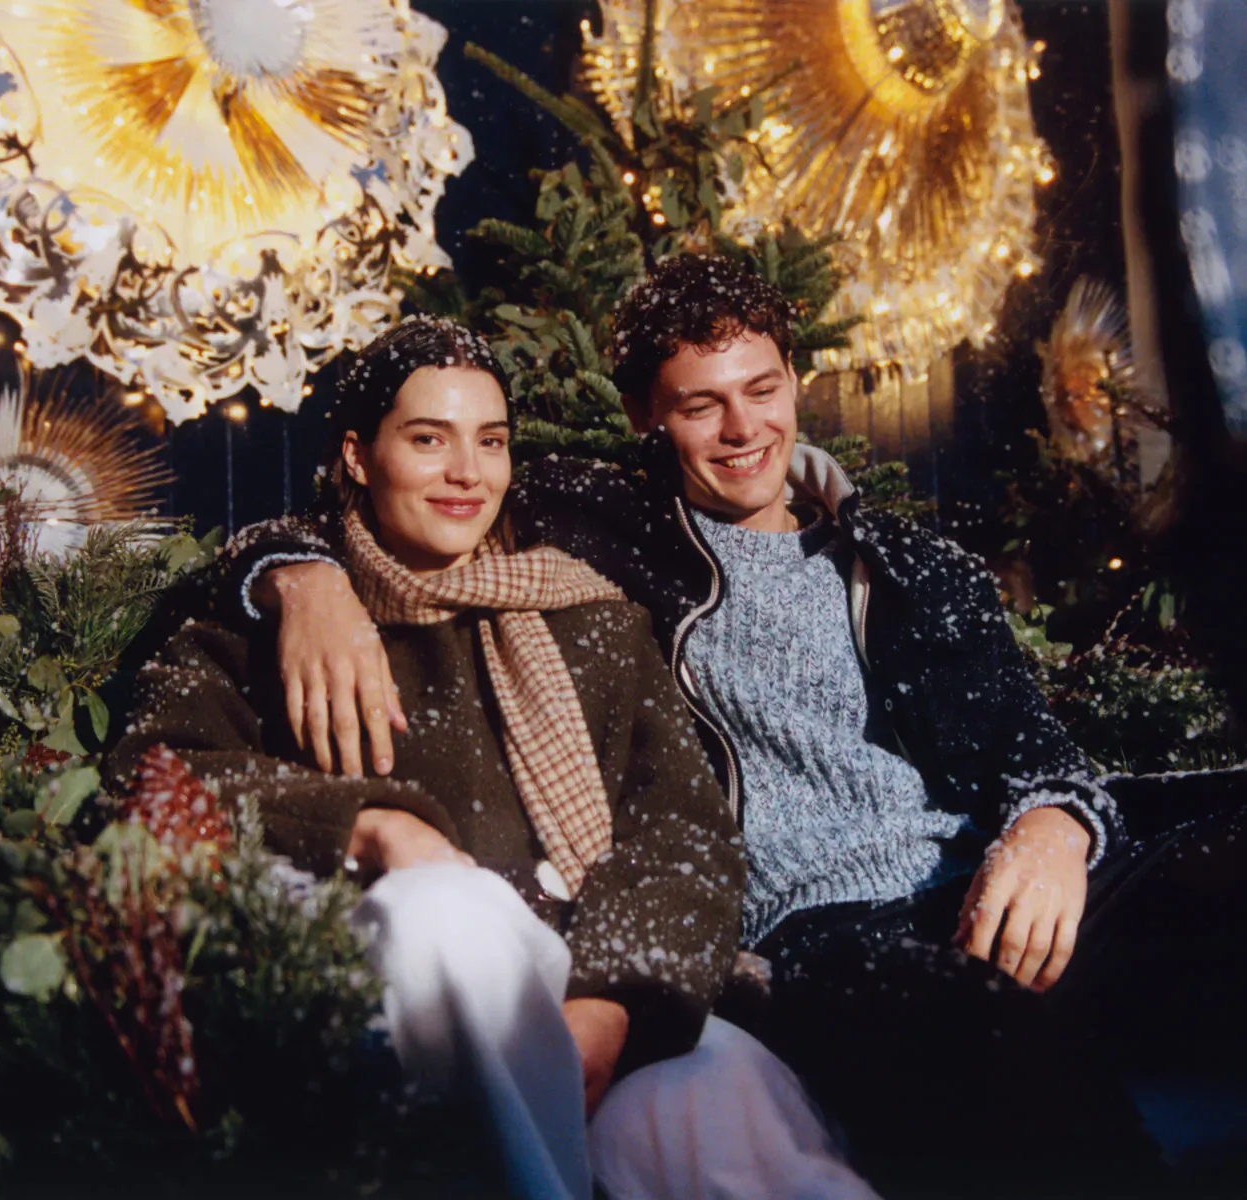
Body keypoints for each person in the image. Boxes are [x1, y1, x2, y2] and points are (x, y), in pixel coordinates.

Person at [231, 258, 1247, 1196]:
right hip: (816, 937)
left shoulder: (906, 564)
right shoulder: (600, 527)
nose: (743, 430)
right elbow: (391, 507)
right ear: (644, 415)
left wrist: (1052, 828)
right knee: (959, 1031)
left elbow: (1033, 747)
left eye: (762, 390)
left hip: (985, 880)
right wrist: (296, 577)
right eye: (701, 406)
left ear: (796, 381)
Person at [108, 316, 881, 1200]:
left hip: (594, 978)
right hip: (402, 996)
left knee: (714, 1099)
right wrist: (371, 828)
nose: (467, 473)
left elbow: (686, 837)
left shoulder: (589, 618)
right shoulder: (277, 621)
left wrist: (612, 1004)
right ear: (359, 457)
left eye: (491, 441)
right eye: (429, 439)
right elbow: (151, 779)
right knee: (446, 915)